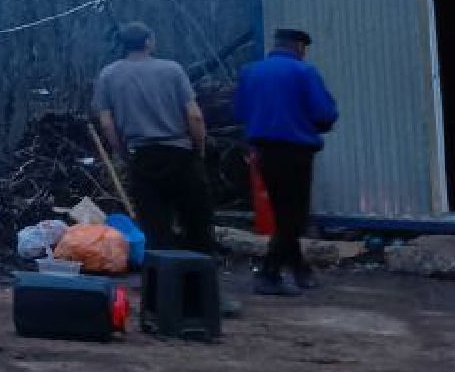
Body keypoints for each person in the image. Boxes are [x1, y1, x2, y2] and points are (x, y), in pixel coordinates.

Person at [92, 22, 217, 260]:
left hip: (142, 156)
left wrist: (123, 153)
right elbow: (195, 116)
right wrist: (199, 148)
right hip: (180, 153)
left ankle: (161, 277)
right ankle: (200, 274)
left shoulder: (108, 75)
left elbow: (106, 123)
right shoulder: (172, 70)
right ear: (148, 41)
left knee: (155, 227)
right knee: (196, 223)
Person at [234, 28, 338, 296]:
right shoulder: (304, 72)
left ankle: (301, 270)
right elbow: (325, 113)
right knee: (294, 217)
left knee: (283, 212)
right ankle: (268, 274)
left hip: (263, 152)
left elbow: (240, 111)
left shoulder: (250, 72)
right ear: (299, 47)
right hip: (295, 152)